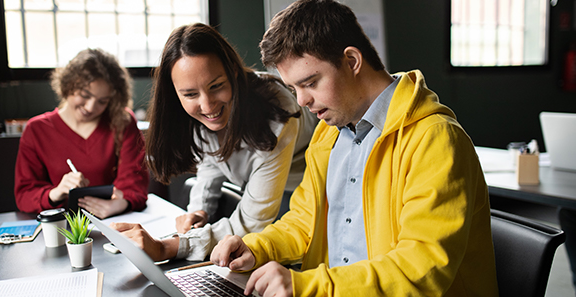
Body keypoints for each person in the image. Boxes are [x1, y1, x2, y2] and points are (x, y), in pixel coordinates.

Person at [210, 0, 499, 296]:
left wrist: (308, 286)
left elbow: (421, 268)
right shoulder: (328, 135)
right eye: (294, 89)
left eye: (310, 83)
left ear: (351, 61)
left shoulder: (435, 139)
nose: (302, 101)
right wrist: (256, 247)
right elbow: (304, 220)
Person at [111, 23, 317, 262]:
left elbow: (253, 221)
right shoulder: (196, 118)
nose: (207, 106)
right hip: (260, 196)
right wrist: (199, 210)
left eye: (216, 86)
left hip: (300, 192)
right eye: (190, 94)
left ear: (234, 73)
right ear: (175, 94)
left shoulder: (277, 109)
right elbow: (211, 163)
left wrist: (170, 246)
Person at [14, 48, 149, 219]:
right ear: (68, 85)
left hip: (112, 222)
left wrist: (118, 204)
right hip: (59, 226)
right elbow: (24, 195)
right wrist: (56, 193)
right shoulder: (36, 129)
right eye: (85, 95)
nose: (91, 107)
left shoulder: (122, 121)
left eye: (103, 101)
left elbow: (135, 184)